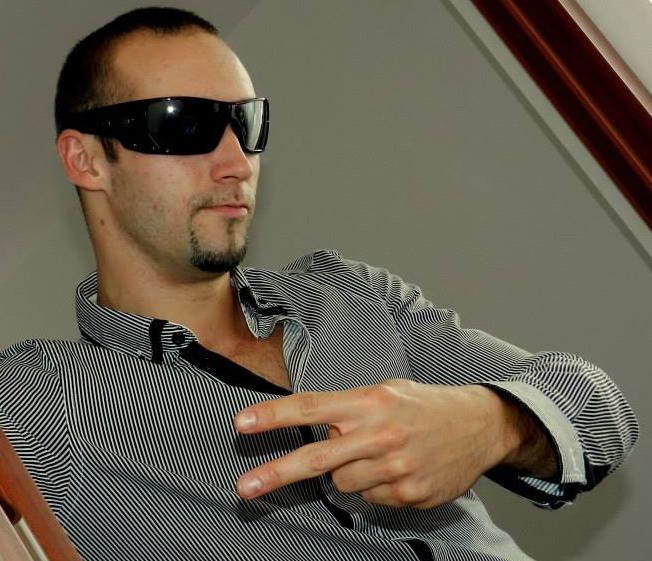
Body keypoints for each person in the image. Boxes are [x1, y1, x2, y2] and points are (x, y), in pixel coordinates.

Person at [0, 7, 639, 561]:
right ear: (86, 159)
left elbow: (600, 409)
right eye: (182, 124)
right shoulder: (33, 403)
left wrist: (488, 423)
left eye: (247, 124)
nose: (236, 163)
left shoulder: (345, 291)